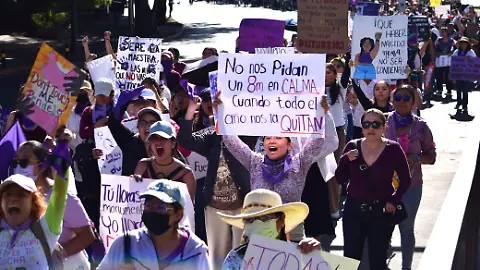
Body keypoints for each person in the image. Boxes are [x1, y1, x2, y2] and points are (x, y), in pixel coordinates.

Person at [218, 92, 338, 242]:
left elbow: (316, 142)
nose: (272, 141)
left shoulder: (299, 163)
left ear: (289, 145)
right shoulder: (254, 162)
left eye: (278, 138)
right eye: (268, 138)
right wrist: (220, 112)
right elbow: (230, 141)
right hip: (257, 233)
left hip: (292, 234)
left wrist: (321, 113)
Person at [177, 96, 257, 269]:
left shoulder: (247, 132)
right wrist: (191, 109)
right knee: (217, 259)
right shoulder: (212, 134)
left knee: (240, 257)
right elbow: (185, 140)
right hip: (214, 207)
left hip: (241, 207)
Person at [335, 108, 411, 270]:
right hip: (354, 210)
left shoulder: (393, 149)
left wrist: (393, 200)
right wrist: (345, 160)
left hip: (381, 209)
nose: (371, 128)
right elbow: (340, 179)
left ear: (384, 128)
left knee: (378, 259)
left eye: (376, 124)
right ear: (361, 128)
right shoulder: (352, 146)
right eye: (366, 124)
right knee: (350, 258)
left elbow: (405, 179)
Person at [14, 140, 95, 268]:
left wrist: (58, 254)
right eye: (16, 162)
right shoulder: (16, 199)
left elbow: (87, 235)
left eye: (25, 161)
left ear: (43, 164)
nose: (19, 167)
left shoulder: (63, 197)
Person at [98, 180, 211, 270]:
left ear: (178, 214)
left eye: (161, 208)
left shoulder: (195, 252)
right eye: (148, 206)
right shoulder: (125, 244)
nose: (153, 212)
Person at [385, 85, 436, 270]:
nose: (401, 101)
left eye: (406, 98)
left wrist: (415, 158)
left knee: (406, 228)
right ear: (392, 101)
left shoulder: (421, 126)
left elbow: (432, 156)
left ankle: (407, 266)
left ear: (413, 101)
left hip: (412, 185)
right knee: (384, 227)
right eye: (397, 98)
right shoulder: (383, 123)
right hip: (385, 185)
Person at [0, 142, 70, 269]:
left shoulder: (45, 229)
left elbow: (59, 195)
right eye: (8, 194)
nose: (13, 199)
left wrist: (62, 165)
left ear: (33, 203)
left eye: (21, 194)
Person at [219, 189, 320, 270]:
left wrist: (315, 256)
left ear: (281, 221)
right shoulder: (235, 259)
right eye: (250, 220)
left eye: (264, 218)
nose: (256, 223)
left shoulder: (299, 257)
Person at [134, 120, 196, 200]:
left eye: (164, 138)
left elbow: (188, 209)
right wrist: (133, 182)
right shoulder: (142, 165)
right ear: (150, 143)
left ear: (173, 143)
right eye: (154, 138)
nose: (158, 142)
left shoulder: (186, 174)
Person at [452, 37, 476, 113]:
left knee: (465, 90)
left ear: (467, 44)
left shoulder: (470, 52)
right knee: (458, 89)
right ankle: (459, 102)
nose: (463, 45)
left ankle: (465, 105)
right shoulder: (456, 52)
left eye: (464, 43)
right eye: (461, 43)